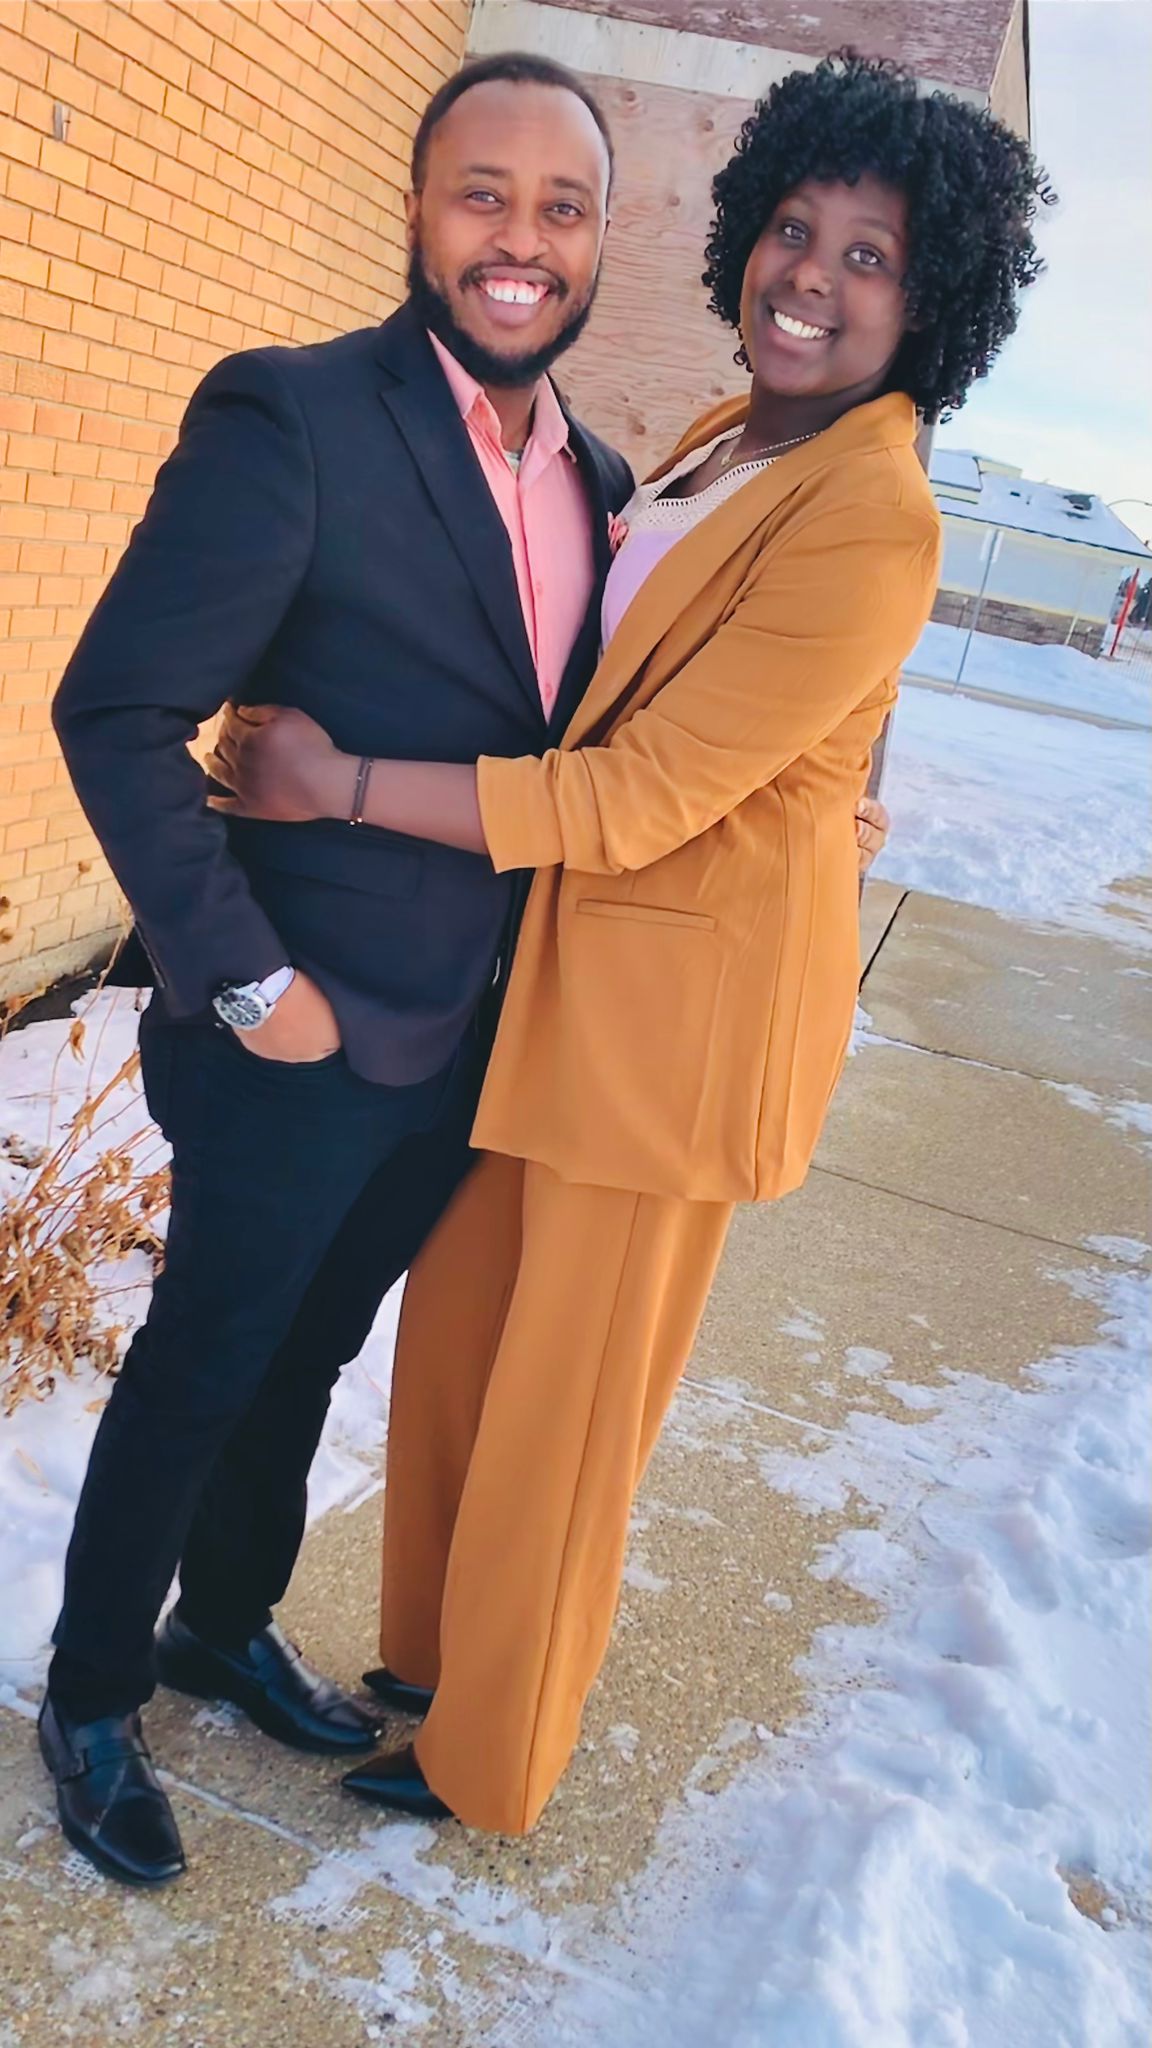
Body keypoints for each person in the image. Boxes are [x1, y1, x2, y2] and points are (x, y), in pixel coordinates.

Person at [208, 53, 1053, 1836]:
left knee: (569, 1409)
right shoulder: (740, 437)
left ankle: (491, 1755)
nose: (811, 278)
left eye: (872, 258)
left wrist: (341, 782)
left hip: (671, 1038)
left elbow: (644, 786)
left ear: (936, 302)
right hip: (561, 993)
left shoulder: (875, 508)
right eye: (795, 230)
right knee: (462, 1346)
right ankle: (436, 1659)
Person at [41, 54, 641, 1891]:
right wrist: (245, 984)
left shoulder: (605, 483)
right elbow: (116, 711)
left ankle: (221, 1626)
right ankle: (89, 1694)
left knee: (313, 1353)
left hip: (462, 1045)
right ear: (417, 210)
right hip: (289, 1032)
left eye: (560, 207)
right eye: (483, 194)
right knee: (207, 1360)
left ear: (600, 242)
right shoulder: (292, 416)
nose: (520, 239)